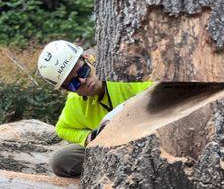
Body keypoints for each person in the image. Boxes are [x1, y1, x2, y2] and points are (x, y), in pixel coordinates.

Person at [38, 40, 152, 177]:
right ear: (68, 90)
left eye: (82, 71)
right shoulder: (76, 103)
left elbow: (156, 89)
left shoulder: (123, 71)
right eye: (74, 84)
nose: (83, 81)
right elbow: (62, 129)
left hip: (150, 134)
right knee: (61, 160)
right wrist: (87, 137)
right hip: (114, 149)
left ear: (88, 59)